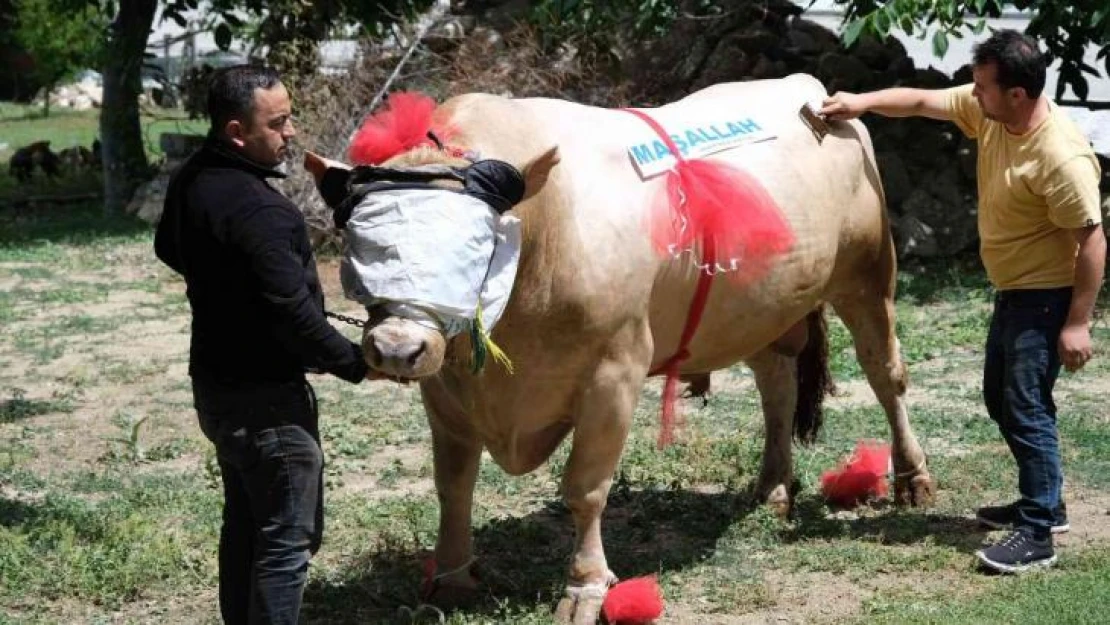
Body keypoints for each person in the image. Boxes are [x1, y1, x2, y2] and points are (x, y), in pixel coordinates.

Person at [821, 29, 1105, 573]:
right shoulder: (992, 114)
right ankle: (1045, 501)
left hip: (1045, 300)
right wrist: (863, 103)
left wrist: (1077, 323)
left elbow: (1092, 239)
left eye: (981, 87)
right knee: (1002, 401)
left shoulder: (1060, 158)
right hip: (1015, 294)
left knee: (1025, 409)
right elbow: (924, 101)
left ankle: (1039, 531)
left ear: (1017, 94)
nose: (971, 94)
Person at [154, 65, 372, 623]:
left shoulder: (192, 179)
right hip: (267, 404)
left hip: (216, 389)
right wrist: (358, 361)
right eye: (278, 123)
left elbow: (167, 248)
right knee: (286, 541)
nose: (291, 132)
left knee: (248, 524)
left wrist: (224, 290)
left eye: (290, 117)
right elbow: (293, 315)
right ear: (236, 131)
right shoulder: (262, 211)